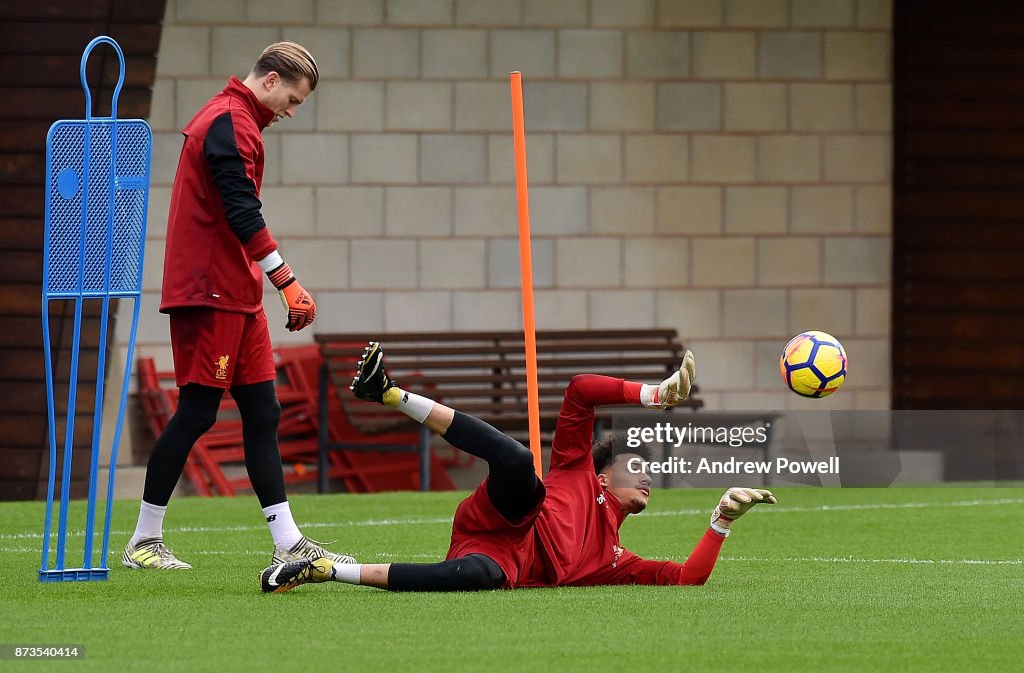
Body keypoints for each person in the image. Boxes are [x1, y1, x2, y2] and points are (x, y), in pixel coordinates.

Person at [258, 342, 775, 593]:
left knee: (484, 577)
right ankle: (387, 392)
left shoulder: (616, 560)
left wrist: (721, 522)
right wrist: (652, 394)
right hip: (506, 516)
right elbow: (579, 389)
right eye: (634, 465)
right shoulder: (575, 469)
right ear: (601, 476)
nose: (645, 477)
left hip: (495, 557)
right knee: (519, 463)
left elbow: (687, 578)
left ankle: (326, 568)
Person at [123, 42, 355, 570]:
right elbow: (241, 213)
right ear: (270, 81)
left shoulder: (238, 120)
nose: (291, 111)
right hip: (210, 291)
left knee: (262, 411)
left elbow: (241, 214)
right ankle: (144, 540)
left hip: (236, 291)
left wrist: (266, 282)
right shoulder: (229, 121)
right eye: (292, 98)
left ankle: (289, 541)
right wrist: (287, 280)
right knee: (199, 410)